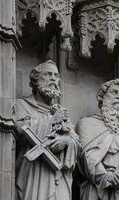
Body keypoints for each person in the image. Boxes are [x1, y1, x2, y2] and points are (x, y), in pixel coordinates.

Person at [14, 60, 80, 200]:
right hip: (35, 173)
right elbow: (19, 130)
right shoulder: (22, 105)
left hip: (59, 176)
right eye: (48, 74)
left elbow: (77, 144)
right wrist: (51, 120)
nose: (53, 79)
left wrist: (66, 141)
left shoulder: (61, 112)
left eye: (56, 76)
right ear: (36, 80)